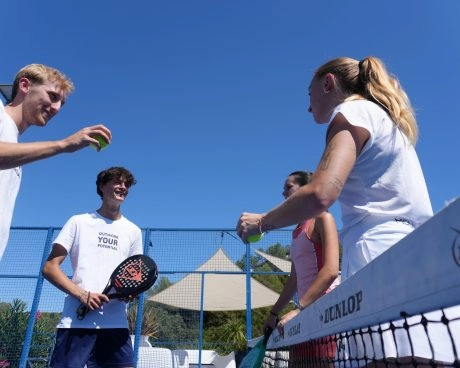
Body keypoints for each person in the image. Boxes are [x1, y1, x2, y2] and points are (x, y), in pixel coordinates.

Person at [236, 57, 445, 364]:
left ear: (328, 83)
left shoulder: (351, 110)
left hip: (379, 259)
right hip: (418, 259)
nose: (308, 107)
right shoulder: (387, 121)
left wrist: (261, 223)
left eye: (309, 95)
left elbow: (321, 193)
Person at [0, 63, 111, 261]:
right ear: (25, 86)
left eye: (62, 103)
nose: (57, 108)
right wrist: (63, 145)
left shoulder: (14, 144)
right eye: (52, 96)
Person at [42, 166, 143, 368]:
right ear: (102, 186)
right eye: (117, 181)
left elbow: (135, 277)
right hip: (77, 323)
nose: (123, 186)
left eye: (127, 184)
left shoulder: (133, 231)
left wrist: (131, 293)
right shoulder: (78, 222)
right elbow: (50, 267)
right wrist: (82, 294)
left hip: (116, 326)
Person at [263, 171, 340, 367]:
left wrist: (298, 309)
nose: (283, 193)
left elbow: (331, 270)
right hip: (304, 318)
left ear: (307, 189)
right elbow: (293, 280)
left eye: (288, 187)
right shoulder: (297, 232)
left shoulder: (323, 218)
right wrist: (273, 314)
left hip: (325, 315)